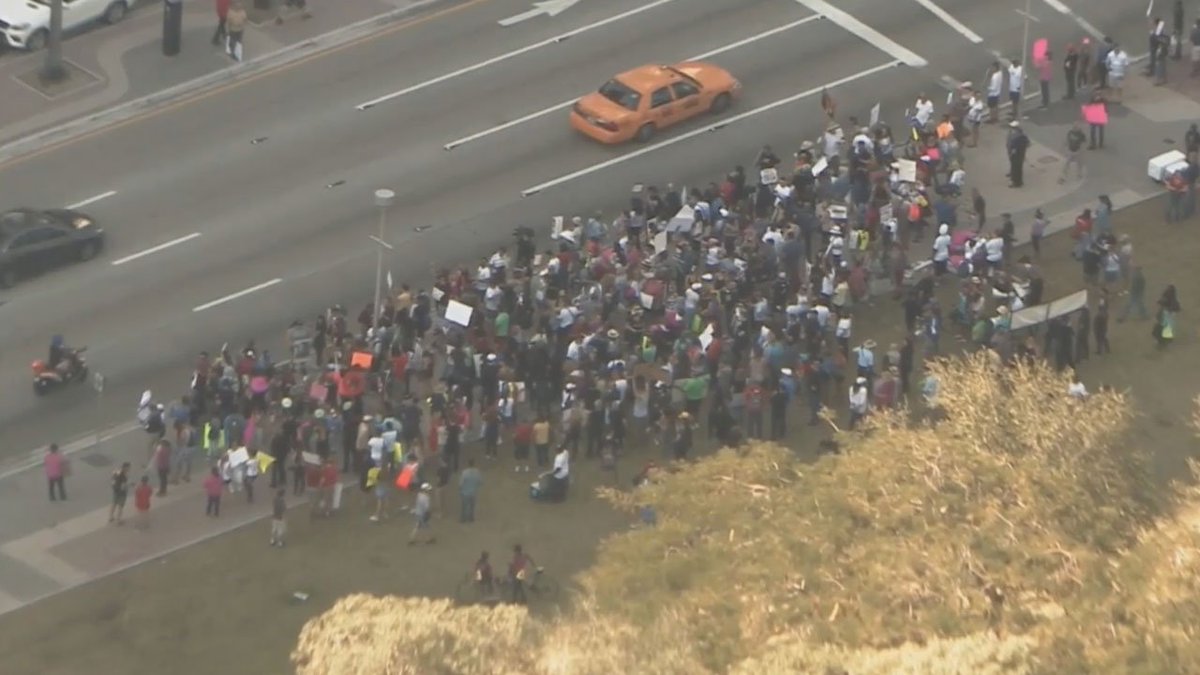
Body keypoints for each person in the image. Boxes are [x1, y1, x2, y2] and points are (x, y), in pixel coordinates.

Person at [459, 458, 483, 523]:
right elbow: (480, 482)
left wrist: (460, 489)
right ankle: (471, 518)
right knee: (472, 506)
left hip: (465, 492)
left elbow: (461, 484)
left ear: (468, 464)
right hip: (473, 492)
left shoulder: (464, 472)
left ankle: (463, 519)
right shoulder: (477, 472)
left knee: (464, 506)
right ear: (473, 464)